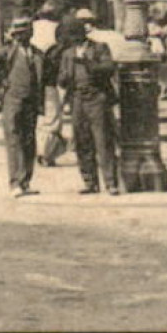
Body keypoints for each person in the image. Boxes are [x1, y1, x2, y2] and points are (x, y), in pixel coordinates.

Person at [58, 10, 120, 195]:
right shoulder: (67, 54)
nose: (72, 40)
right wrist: (65, 77)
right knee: (82, 141)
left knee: (103, 141)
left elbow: (109, 68)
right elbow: (61, 79)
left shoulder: (99, 48)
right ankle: (89, 181)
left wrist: (87, 63)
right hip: (77, 99)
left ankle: (111, 182)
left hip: (97, 98)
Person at [0, 16, 44, 197]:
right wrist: (1, 82)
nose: (24, 36)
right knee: (14, 141)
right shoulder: (7, 52)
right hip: (12, 100)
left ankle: (26, 181)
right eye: (20, 33)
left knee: (29, 142)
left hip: (31, 102)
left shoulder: (37, 53)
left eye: (27, 33)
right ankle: (15, 182)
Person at [31, 1, 67, 167]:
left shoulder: (32, 27)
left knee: (39, 118)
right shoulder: (57, 29)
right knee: (52, 117)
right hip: (51, 79)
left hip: (31, 80)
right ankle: (46, 153)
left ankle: (40, 150)